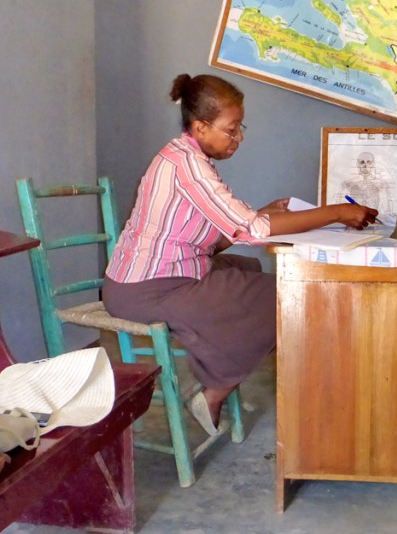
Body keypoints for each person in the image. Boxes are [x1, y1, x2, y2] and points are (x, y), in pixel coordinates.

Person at [103, 73, 378, 436]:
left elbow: (218, 239)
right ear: (200, 127)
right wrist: (336, 212)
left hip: (172, 273)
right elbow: (255, 230)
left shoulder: (187, 157)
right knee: (284, 296)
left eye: (240, 128)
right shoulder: (187, 167)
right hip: (145, 289)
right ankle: (215, 390)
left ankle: (222, 373)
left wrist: (263, 212)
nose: (239, 138)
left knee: (252, 277)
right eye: (231, 130)